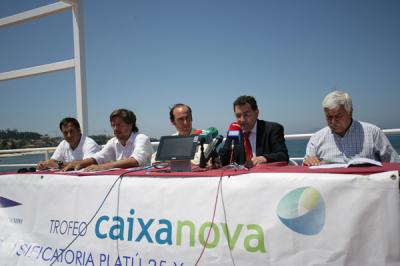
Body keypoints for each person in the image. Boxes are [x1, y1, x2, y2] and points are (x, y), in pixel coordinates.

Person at [304, 91, 400, 166]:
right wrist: (309, 161)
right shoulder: (316, 139)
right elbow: (305, 168)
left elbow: (394, 163)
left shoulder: (373, 133)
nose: (333, 121)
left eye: (338, 116)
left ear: (350, 112)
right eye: (329, 117)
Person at [64, 109, 153, 171]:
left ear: (130, 125)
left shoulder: (141, 138)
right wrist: (77, 164)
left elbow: (135, 161)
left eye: (118, 125)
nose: (115, 128)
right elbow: (99, 157)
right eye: (113, 125)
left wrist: (106, 166)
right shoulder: (113, 142)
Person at [219, 95, 289, 167]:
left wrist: (264, 158)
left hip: (265, 175)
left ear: (256, 113)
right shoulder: (234, 132)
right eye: (238, 116)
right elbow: (224, 158)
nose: (242, 120)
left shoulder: (272, 129)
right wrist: (215, 161)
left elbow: (283, 156)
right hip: (241, 176)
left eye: (246, 115)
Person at [36, 117, 101, 170]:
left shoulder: (89, 144)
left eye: (71, 131)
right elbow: (53, 161)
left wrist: (58, 164)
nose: (69, 135)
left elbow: (87, 163)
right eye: (65, 133)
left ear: (79, 130)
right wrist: (44, 165)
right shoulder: (63, 144)